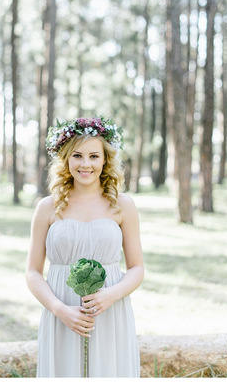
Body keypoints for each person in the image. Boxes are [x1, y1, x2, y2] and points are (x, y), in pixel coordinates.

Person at [26, 117, 144, 377]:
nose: (86, 164)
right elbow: (33, 272)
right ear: (67, 159)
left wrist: (110, 295)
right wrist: (60, 310)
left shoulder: (123, 206)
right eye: (78, 155)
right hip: (62, 314)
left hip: (110, 312)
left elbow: (137, 268)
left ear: (105, 160)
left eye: (94, 156)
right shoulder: (47, 207)